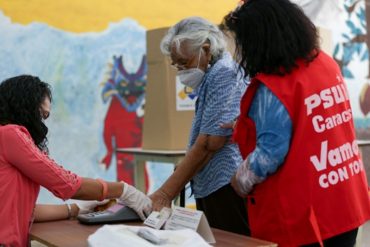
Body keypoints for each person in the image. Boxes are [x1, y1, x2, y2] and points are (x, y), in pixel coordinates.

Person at [221, 0, 370, 246]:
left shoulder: (275, 86)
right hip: (343, 201)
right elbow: (309, 121)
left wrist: (240, 179)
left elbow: (270, 154)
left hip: (305, 218)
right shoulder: (324, 63)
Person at [0, 75, 152, 246]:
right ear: (24, 107)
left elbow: (23, 210)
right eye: (41, 115)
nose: (42, 123)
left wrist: (76, 209)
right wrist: (123, 190)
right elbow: (65, 183)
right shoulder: (10, 135)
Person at [149, 17, 249, 235]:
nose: (182, 70)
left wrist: (166, 193)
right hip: (212, 184)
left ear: (206, 48)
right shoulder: (211, 76)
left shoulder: (223, 73)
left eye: (185, 62)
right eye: (177, 65)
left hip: (225, 184)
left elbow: (210, 142)